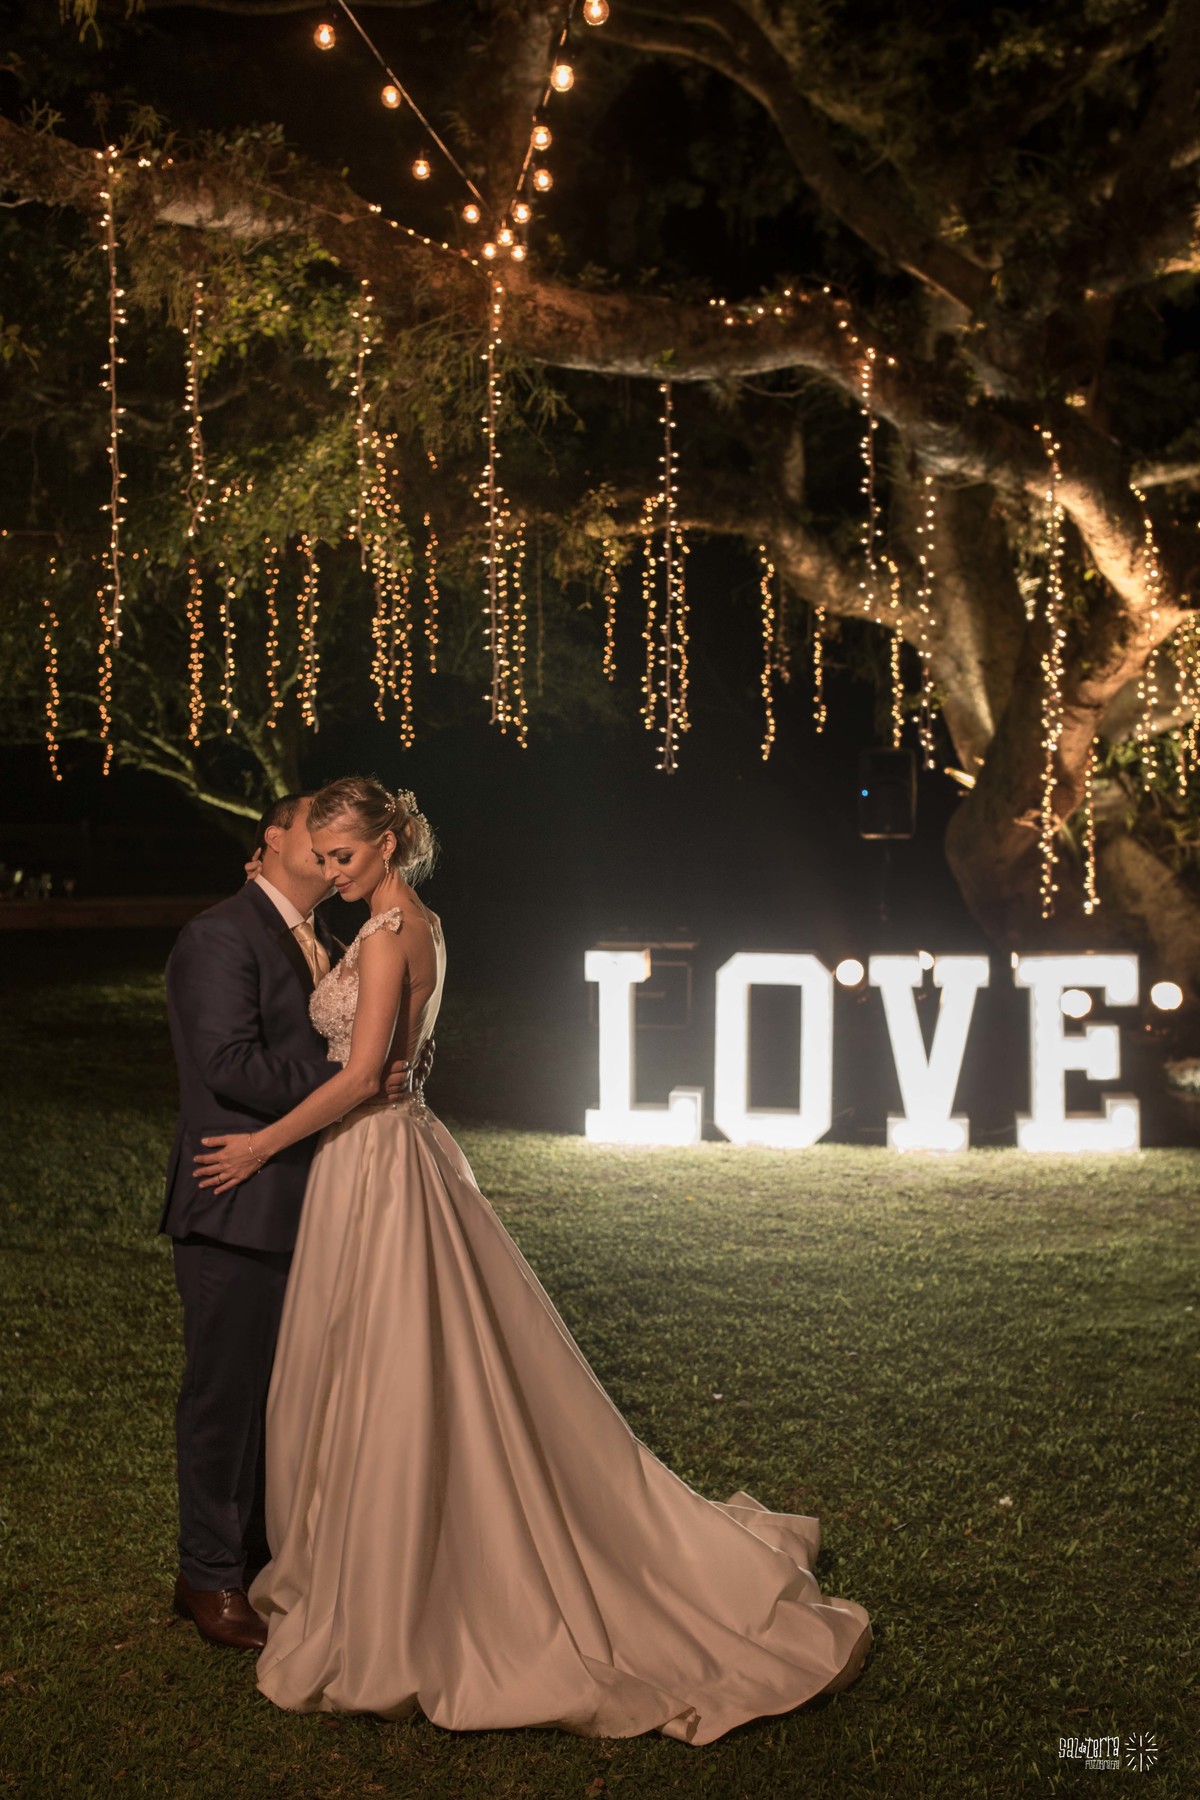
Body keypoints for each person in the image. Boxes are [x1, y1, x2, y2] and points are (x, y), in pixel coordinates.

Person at [194, 776, 872, 1743]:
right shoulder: (405, 923)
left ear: (387, 845)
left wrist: (260, 1145)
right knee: (371, 1361)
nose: (333, 873)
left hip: (380, 1161)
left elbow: (357, 1078)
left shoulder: (392, 936)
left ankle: (403, 1584)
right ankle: (365, 1552)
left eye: (344, 856)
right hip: (375, 1159)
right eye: (324, 857)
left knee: (394, 1362)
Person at [162, 792, 419, 1651]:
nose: (325, 847)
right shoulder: (218, 936)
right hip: (234, 1197)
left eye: (338, 841)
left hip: (315, 1196)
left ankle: (259, 1554)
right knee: (224, 1394)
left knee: (289, 1393)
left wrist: (375, 1061)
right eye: (314, 834)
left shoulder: (339, 939)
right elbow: (228, 1064)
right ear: (273, 840)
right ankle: (207, 1576)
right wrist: (350, 1070)